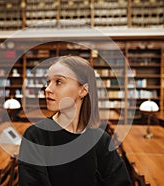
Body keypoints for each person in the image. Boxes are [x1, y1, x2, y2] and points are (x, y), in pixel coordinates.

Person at [18, 56, 132, 186]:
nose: (48, 89)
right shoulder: (35, 137)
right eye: (48, 82)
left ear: (83, 90)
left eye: (59, 82)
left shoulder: (101, 140)